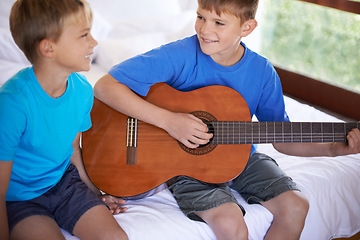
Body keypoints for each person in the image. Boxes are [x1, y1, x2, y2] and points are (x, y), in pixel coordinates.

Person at [93, 0, 360, 239]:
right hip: (188, 167)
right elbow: (105, 87)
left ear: (247, 27)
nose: (205, 30)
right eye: (201, 17)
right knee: (231, 223)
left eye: (219, 22)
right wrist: (170, 121)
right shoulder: (179, 54)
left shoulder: (262, 73)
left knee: (296, 205)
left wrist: (335, 149)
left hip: (242, 157)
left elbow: (282, 138)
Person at [0, 0, 129, 239]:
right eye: (84, 35)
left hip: (64, 185)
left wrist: (94, 193)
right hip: (19, 198)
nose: (94, 42)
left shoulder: (81, 90)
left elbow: (72, 149)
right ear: (48, 48)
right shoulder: (12, 103)